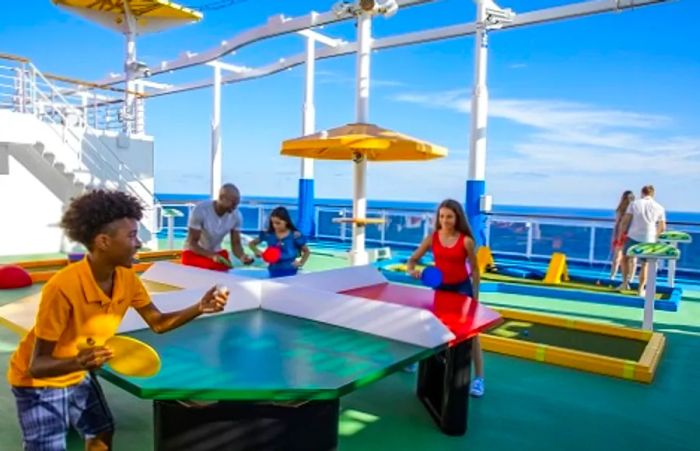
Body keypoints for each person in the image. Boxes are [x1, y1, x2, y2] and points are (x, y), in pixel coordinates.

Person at [7, 189, 228, 450]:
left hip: (79, 373)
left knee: (101, 431)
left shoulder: (127, 279)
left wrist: (199, 307)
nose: (139, 243)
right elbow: (38, 365)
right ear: (103, 241)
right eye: (132, 235)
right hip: (39, 385)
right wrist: (79, 361)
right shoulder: (63, 288)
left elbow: (158, 322)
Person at [405, 199, 484, 397]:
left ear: (457, 217)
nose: (445, 220)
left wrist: (475, 297)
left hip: (461, 289)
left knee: (470, 334)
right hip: (440, 288)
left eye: (449, 216)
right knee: (430, 325)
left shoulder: (466, 241)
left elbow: (475, 270)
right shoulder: (432, 238)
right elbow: (412, 260)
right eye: (442, 216)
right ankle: (416, 360)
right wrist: (412, 270)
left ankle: (479, 378)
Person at [182, 183, 254, 271]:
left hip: (216, 254)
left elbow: (236, 244)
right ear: (221, 198)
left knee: (226, 267)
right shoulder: (200, 210)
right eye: (233, 203)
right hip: (194, 253)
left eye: (237, 203)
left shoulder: (236, 216)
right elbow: (192, 244)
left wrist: (242, 256)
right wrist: (211, 255)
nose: (235, 206)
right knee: (213, 267)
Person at [617, 185, 666, 296]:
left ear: (642, 193)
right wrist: (655, 238)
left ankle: (625, 282)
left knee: (625, 259)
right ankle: (640, 289)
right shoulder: (659, 207)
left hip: (633, 236)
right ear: (653, 194)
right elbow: (662, 227)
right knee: (645, 264)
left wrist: (621, 234)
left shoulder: (634, 204)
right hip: (649, 238)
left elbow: (625, 221)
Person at [249, 207, 310, 278]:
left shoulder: (295, 235)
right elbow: (252, 244)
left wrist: (300, 263)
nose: (275, 226)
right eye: (273, 223)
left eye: (278, 223)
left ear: (286, 221)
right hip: (273, 270)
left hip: (290, 270)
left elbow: (306, 251)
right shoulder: (268, 234)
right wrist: (256, 251)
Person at [610, 190, 635, 280]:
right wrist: (614, 236)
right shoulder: (620, 209)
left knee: (632, 257)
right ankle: (613, 276)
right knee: (617, 256)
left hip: (631, 234)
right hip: (621, 234)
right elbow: (617, 223)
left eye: (632, 198)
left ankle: (631, 278)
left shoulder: (635, 209)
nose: (630, 200)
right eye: (629, 198)